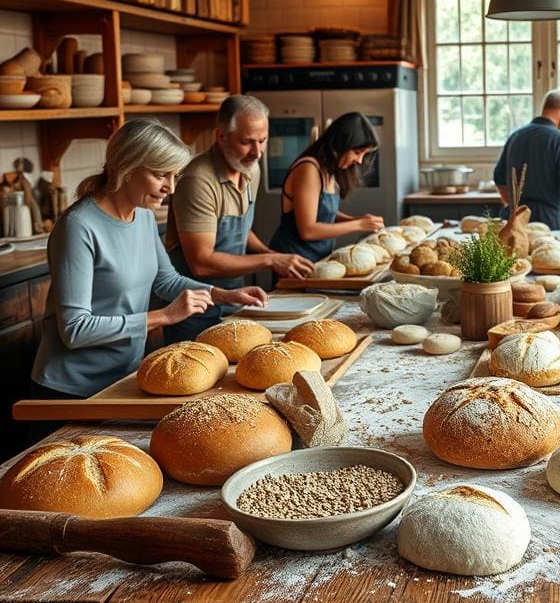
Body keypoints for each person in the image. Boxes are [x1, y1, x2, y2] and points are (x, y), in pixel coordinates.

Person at [32, 118, 267, 400]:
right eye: (160, 175)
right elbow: (75, 329)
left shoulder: (141, 213)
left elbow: (166, 280)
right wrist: (164, 316)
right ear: (127, 168)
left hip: (124, 377)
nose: (171, 187)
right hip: (71, 389)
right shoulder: (79, 226)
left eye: (175, 175)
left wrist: (224, 295)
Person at [165, 95, 312, 342]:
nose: (257, 152)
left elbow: (239, 229)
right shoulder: (198, 180)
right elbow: (201, 262)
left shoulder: (249, 169)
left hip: (236, 297)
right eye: (247, 142)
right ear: (221, 136)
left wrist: (275, 258)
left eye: (263, 141)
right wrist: (270, 259)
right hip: (195, 308)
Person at [269, 112, 384, 261]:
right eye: (357, 152)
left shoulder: (328, 169)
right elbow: (308, 230)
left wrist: (355, 220)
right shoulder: (309, 169)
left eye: (364, 154)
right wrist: (359, 225)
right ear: (339, 143)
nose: (360, 161)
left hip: (317, 258)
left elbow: (324, 212)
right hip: (294, 262)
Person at [493, 91, 560, 229]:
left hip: (516, 218)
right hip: (549, 218)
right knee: (548, 250)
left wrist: (514, 206)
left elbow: (499, 178)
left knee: (516, 251)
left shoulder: (515, 136)